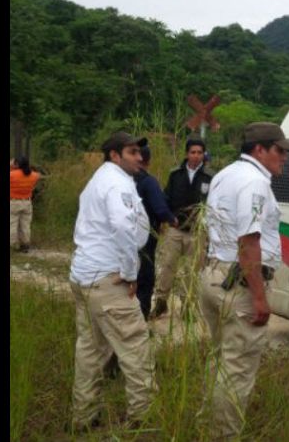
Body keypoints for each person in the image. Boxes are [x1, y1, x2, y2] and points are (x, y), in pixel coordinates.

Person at [198, 122, 289, 439]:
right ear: (260, 150)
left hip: (215, 273)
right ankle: (223, 435)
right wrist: (258, 296)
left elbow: (206, 224)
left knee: (220, 357)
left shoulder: (225, 174)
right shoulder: (255, 183)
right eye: (280, 150)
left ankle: (208, 423)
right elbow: (248, 240)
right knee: (237, 368)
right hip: (239, 283)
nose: (285, 157)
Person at [67, 132, 154, 433]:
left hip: (85, 275)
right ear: (114, 156)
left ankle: (84, 416)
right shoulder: (116, 182)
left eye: (139, 152)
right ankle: (142, 420)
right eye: (132, 152)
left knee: (90, 349)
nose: (139, 157)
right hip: (106, 278)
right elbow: (120, 225)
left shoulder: (100, 180)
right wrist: (131, 272)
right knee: (135, 347)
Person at [150, 134, 214, 318]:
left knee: (192, 272)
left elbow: (213, 204)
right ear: (186, 154)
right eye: (193, 152)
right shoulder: (175, 174)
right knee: (167, 267)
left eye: (200, 152)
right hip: (175, 229)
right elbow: (166, 198)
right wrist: (165, 219)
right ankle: (161, 302)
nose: (196, 156)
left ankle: (188, 306)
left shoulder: (210, 177)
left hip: (197, 232)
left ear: (204, 154)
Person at [135, 145, 177, 320]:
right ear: (148, 161)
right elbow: (160, 208)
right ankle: (142, 320)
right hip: (146, 238)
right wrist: (172, 219)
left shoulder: (124, 179)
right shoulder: (148, 182)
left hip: (124, 239)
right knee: (145, 279)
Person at [10, 155, 41, 252]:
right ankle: (25, 244)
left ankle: (13, 245)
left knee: (12, 224)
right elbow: (38, 175)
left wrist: (11, 166)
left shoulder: (12, 175)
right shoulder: (34, 175)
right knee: (25, 225)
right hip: (27, 202)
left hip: (13, 202)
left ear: (17, 164)